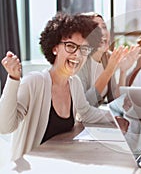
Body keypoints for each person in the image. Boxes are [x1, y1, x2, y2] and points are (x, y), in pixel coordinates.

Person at [0, 12, 115, 161]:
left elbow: (86, 113)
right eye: (70, 46)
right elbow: (5, 126)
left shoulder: (74, 84)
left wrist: (118, 117)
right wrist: (13, 79)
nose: (77, 55)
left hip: (61, 163)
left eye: (84, 49)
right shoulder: (34, 82)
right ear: (55, 48)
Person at [77, 12, 140, 106]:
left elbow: (115, 101)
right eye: (95, 29)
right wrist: (109, 70)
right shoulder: (79, 60)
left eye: (104, 27)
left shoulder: (107, 58)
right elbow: (84, 105)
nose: (102, 32)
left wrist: (123, 71)